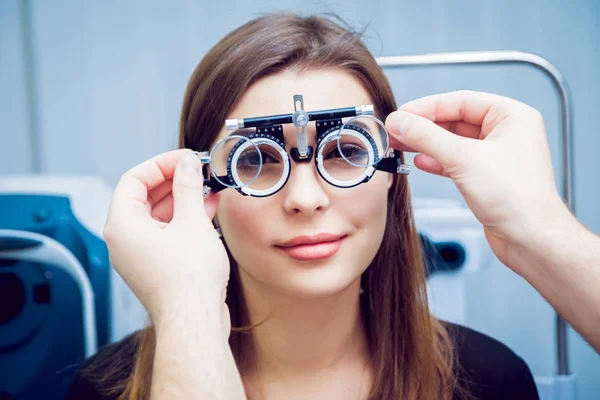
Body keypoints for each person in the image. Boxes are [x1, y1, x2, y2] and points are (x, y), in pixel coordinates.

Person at [63, 13, 545, 400]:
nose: (306, 199)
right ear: (204, 187)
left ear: (393, 176)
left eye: (345, 152)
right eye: (257, 160)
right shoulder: (103, 389)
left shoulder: (491, 382)